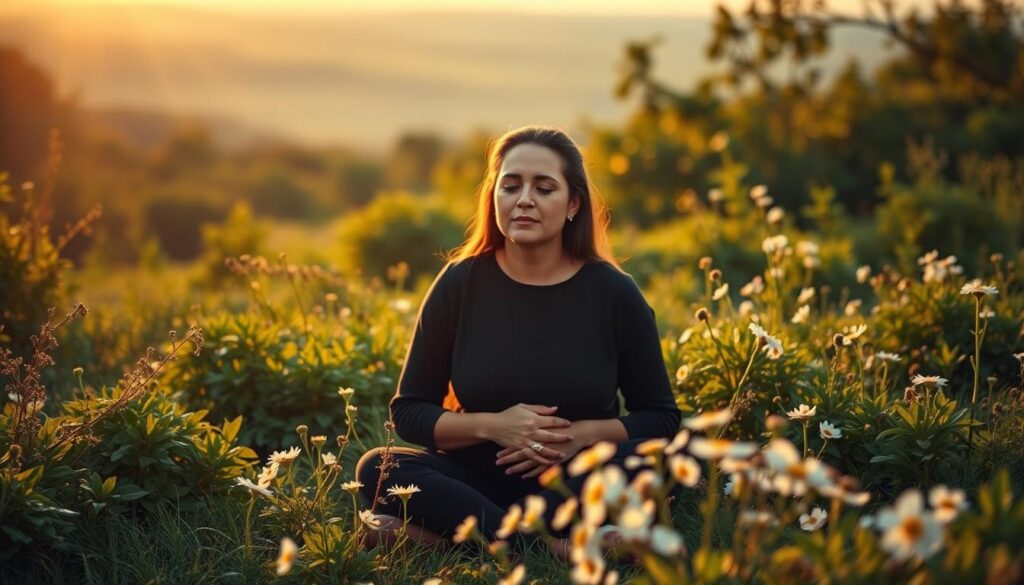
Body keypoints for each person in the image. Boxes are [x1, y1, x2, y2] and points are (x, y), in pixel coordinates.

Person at [355, 125, 681, 560]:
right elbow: (410, 411)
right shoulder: (460, 283)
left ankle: (446, 539)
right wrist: (494, 426)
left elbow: (660, 418)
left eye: (544, 188)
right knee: (379, 467)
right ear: (494, 197)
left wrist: (580, 436)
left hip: (575, 480)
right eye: (510, 186)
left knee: (655, 461)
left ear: (573, 204)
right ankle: (553, 548)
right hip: (476, 478)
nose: (524, 199)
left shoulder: (614, 293)